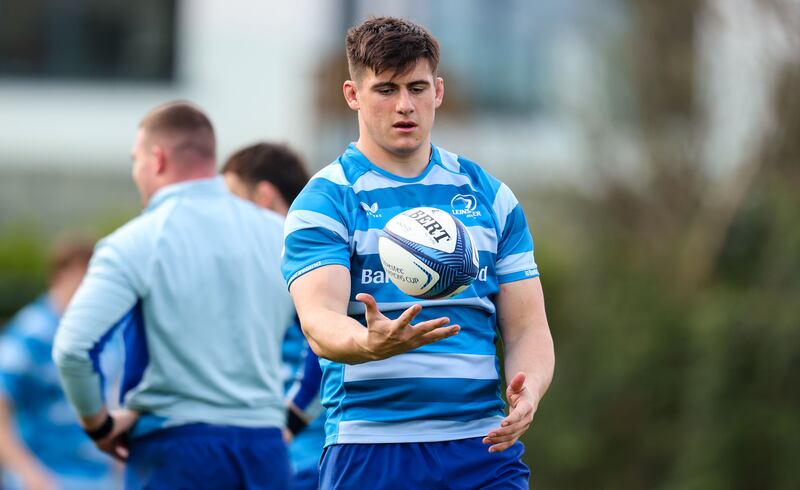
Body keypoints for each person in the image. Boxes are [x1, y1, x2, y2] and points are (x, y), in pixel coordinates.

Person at [282, 17, 555, 489]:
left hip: (483, 448)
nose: (405, 105)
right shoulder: (326, 200)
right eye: (386, 89)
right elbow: (319, 319)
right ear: (353, 95)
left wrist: (529, 388)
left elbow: (528, 326)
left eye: (417, 87)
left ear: (438, 91)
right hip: (371, 450)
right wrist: (366, 344)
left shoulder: (491, 198)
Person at [52, 101, 295, 489]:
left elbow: (73, 349)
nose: (136, 172)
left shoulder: (136, 241)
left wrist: (100, 426)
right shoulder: (280, 235)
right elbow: (325, 338)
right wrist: (294, 419)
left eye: (136, 160)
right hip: (265, 450)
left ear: (158, 159)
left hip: (174, 448)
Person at [222, 143, 325, 490]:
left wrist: (287, 424)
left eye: (232, 198)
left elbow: (321, 349)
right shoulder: (260, 260)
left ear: (264, 196)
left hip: (302, 453)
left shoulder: (306, 260)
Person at [0, 237, 119, 490]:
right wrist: (26, 472)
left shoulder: (107, 334)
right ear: (62, 275)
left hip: (99, 479)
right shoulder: (31, 334)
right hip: (47, 477)